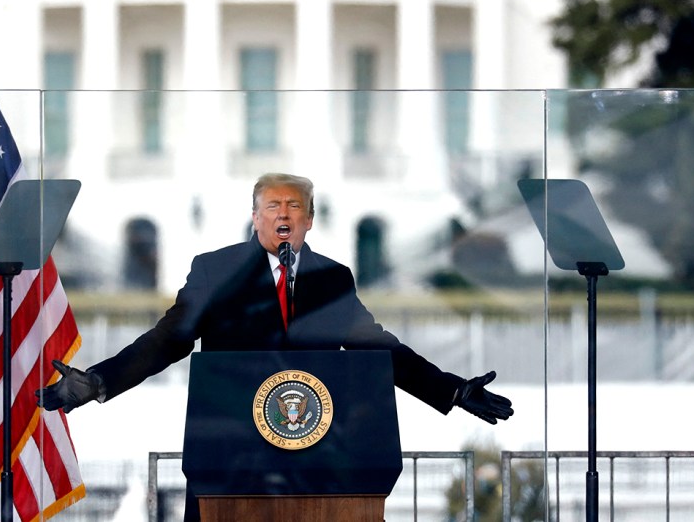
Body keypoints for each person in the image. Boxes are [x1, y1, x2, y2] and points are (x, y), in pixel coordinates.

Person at [36, 172, 513, 517]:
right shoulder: (215, 270)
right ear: (254, 217)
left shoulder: (331, 277)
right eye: (272, 206)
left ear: (309, 219)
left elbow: (376, 346)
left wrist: (449, 390)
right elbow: (169, 339)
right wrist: (99, 380)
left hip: (318, 460)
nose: (283, 214)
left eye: (294, 207)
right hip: (230, 457)